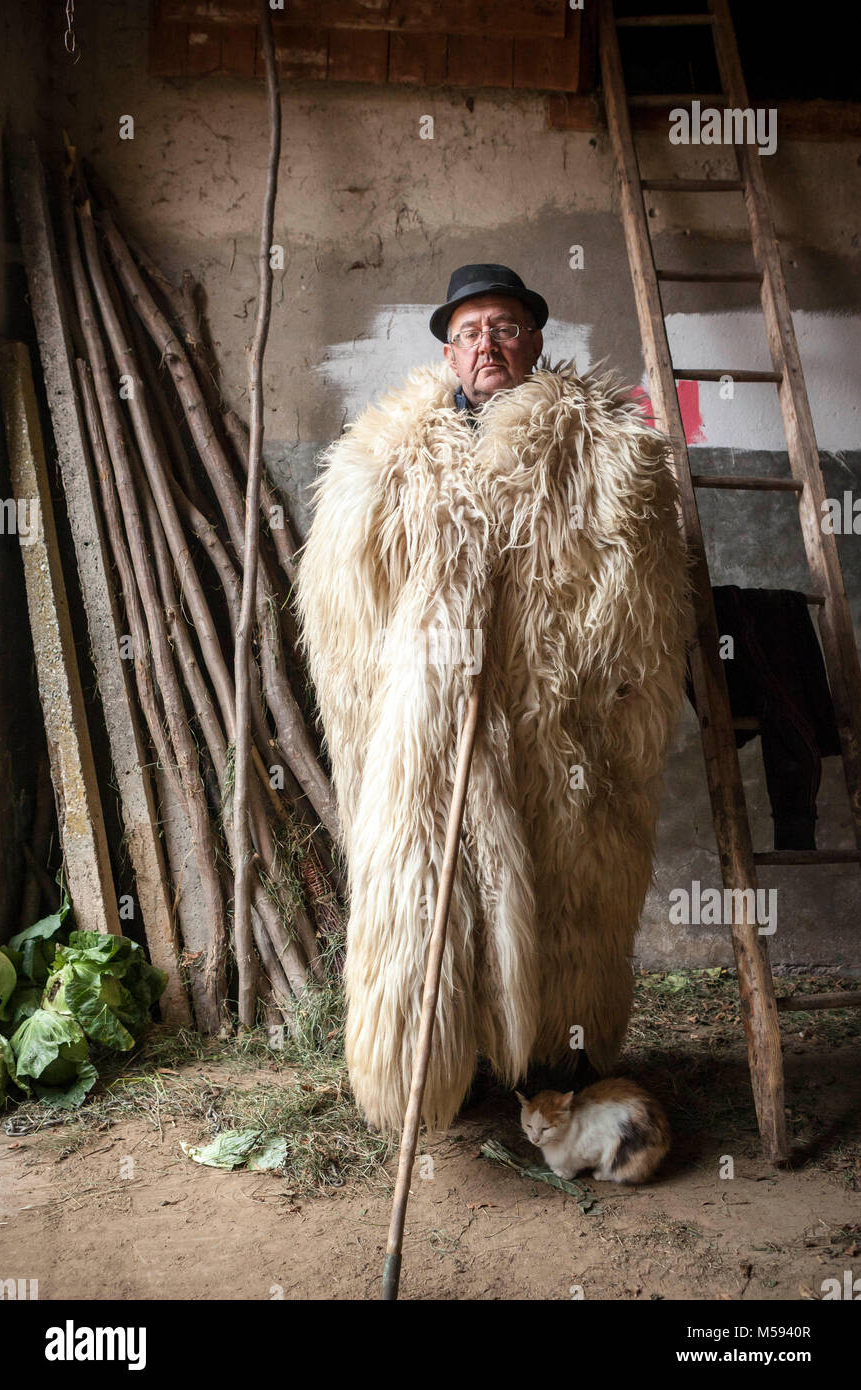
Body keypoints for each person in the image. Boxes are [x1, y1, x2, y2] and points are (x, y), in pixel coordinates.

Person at [295, 264, 690, 1134]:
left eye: (506, 328)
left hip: (555, 723)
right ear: (448, 349)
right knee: (441, 889)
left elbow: (636, 590)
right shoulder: (386, 457)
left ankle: (557, 1062)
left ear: (538, 341)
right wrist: (413, 683)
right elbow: (345, 608)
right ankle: (458, 1066)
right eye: (471, 332)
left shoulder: (605, 448)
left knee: (565, 890)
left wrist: (581, 683)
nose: (488, 345)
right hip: (433, 728)